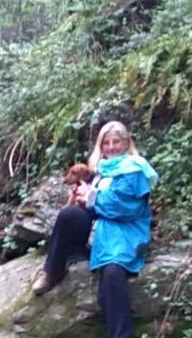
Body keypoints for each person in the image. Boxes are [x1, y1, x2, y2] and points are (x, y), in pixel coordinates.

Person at [31, 120, 158, 338]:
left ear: (126, 143)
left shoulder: (135, 169)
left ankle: (121, 335)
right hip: (101, 231)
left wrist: (91, 196)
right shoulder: (102, 170)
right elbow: (96, 207)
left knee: (112, 272)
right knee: (69, 214)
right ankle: (53, 271)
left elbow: (124, 207)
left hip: (126, 232)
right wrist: (84, 200)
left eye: (116, 141)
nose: (110, 147)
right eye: (105, 143)